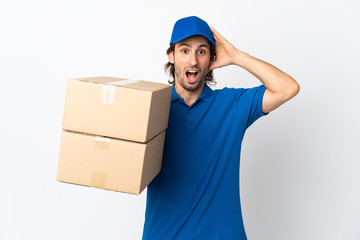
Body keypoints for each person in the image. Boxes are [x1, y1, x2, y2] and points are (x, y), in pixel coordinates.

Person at [142, 16, 299, 240]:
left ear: (212, 59)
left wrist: (236, 56)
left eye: (202, 51)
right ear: (171, 56)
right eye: (185, 50)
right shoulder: (151, 107)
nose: (193, 61)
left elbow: (287, 88)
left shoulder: (232, 104)